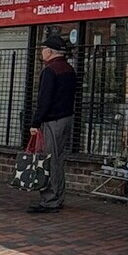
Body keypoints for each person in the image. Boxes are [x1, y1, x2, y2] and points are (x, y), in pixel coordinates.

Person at [25, 32, 77, 214]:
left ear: (50, 51)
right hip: (66, 118)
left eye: (43, 49)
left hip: (52, 120)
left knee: (50, 160)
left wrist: (35, 122)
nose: (41, 52)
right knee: (58, 159)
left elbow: (44, 100)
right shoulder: (69, 70)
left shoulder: (50, 71)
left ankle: (50, 200)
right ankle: (58, 196)